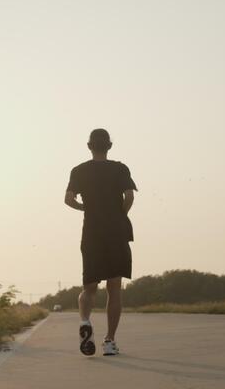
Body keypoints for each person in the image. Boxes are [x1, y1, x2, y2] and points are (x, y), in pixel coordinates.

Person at [64, 129, 137, 356]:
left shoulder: (79, 171)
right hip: (116, 232)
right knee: (114, 288)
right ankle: (109, 341)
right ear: (109, 146)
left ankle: (85, 321)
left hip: (92, 232)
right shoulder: (120, 168)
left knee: (89, 287)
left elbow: (68, 199)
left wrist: (84, 207)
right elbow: (130, 196)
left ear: (89, 146)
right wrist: (119, 215)